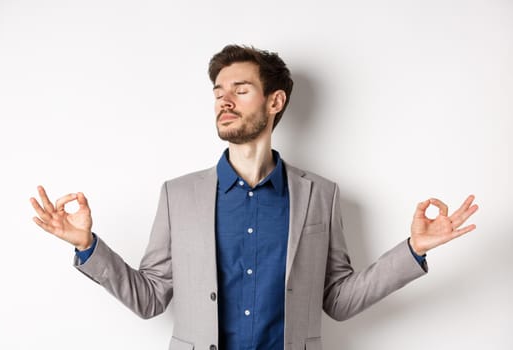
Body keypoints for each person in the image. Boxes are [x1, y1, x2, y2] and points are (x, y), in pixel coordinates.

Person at [30, 45, 478, 350]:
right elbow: (150, 298)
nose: (225, 101)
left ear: (274, 101)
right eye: (219, 93)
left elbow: (338, 300)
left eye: (240, 90)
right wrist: (87, 246)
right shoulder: (177, 195)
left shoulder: (321, 194)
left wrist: (414, 250)